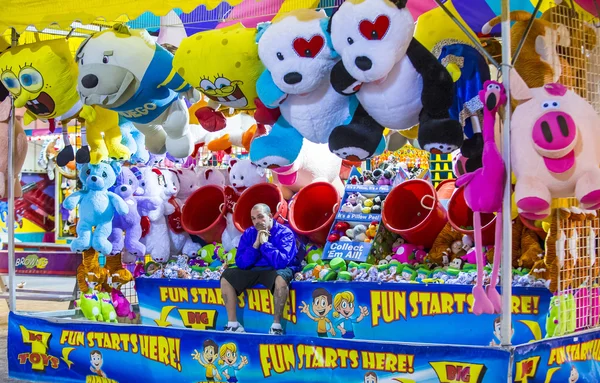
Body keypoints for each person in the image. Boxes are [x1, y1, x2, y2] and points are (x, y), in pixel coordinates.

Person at [220, 203, 300, 335]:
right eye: (253, 219)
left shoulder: (285, 233)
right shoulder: (249, 233)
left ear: (269, 216)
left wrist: (265, 244)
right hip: (254, 270)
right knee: (227, 276)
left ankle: (276, 325)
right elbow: (241, 263)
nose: (257, 222)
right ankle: (233, 324)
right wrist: (256, 245)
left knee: (281, 278)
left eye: (260, 217)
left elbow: (281, 262)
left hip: (275, 269)